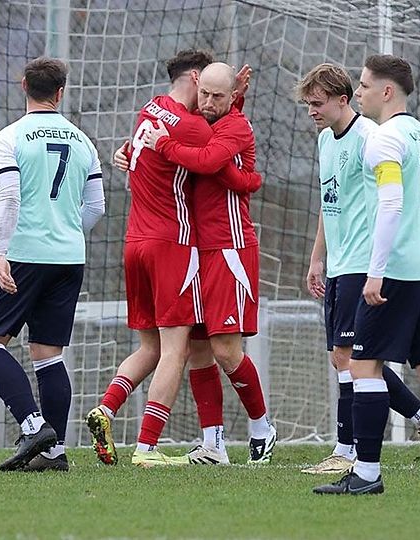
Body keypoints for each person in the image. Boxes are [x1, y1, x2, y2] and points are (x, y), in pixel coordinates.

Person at [313, 54, 420, 496]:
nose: (358, 93)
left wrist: (376, 273)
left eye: (363, 86)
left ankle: (367, 474)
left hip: (399, 269)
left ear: (386, 91)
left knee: (362, 364)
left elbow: (392, 205)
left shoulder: (383, 138)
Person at [293, 63, 420, 475]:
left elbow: (391, 200)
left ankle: (347, 449)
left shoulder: (370, 138)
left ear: (342, 100)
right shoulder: (325, 140)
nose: (312, 112)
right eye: (307, 105)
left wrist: (379, 263)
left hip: (363, 263)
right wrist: (317, 257)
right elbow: (329, 200)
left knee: (351, 356)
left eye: (317, 104)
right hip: (339, 265)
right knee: (345, 359)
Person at [85, 49, 220, 467]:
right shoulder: (194, 127)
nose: (213, 101)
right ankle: (146, 447)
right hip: (171, 244)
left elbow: (137, 157)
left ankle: (105, 409)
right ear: (196, 78)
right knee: (175, 350)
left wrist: (121, 155)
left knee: (150, 346)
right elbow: (225, 148)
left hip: (134, 243)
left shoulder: (148, 110)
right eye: (211, 90)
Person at [0, 57, 105, 472]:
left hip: (24, 254)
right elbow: (97, 207)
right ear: (61, 92)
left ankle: (34, 425)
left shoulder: (10, 137)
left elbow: (9, 197)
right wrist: (65, 231)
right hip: (69, 257)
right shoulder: (83, 141)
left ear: (24, 85)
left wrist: (0, 251)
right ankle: (54, 452)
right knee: (49, 355)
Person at [141, 62, 276, 464]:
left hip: (230, 249)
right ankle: (213, 443)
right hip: (195, 250)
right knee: (199, 348)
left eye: (220, 97)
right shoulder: (198, 120)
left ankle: (262, 428)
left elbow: (207, 162)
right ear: (197, 87)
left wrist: (162, 144)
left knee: (226, 350)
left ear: (232, 95)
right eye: (205, 95)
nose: (209, 103)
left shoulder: (234, 126)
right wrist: (132, 149)